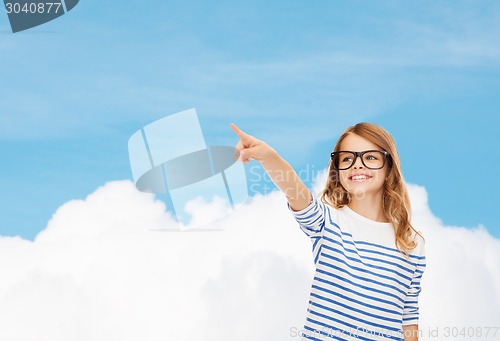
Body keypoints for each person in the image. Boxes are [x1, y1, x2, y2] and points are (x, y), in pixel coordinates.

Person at [230, 122, 426, 341]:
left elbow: (409, 316)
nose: (357, 165)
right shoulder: (327, 222)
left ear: (388, 167)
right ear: (337, 171)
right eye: (347, 159)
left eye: (370, 157)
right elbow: (294, 190)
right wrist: (268, 156)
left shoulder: (411, 243)